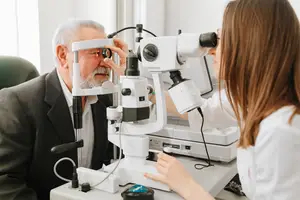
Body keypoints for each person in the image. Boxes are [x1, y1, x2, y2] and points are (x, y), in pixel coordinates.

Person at [144, 0, 300, 199]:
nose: (211, 50)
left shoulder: (281, 130)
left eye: (220, 38)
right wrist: (145, 90)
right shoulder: (250, 98)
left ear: (249, 44)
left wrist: (186, 185)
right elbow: (201, 113)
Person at [0, 19, 127, 200]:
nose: (105, 62)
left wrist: (130, 77)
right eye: (95, 52)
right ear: (62, 55)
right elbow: (5, 184)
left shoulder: (106, 99)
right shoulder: (17, 103)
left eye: (107, 52)